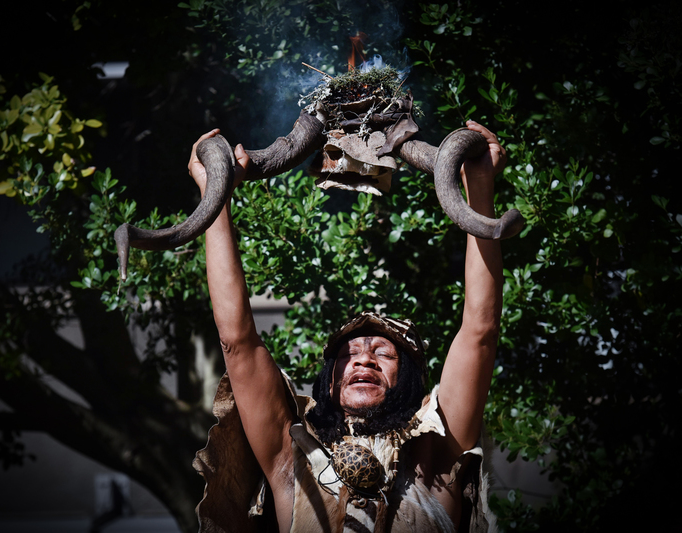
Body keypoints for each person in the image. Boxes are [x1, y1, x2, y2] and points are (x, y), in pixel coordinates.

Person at [189, 121, 505, 533]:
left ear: (408, 377)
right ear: (330, 380)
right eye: (348, 354)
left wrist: (478, 184)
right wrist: (216, 193)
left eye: (384, 353)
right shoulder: (292, 460)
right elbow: (237, 341)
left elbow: (479, 331)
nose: (363, 361)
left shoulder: (437, 456)